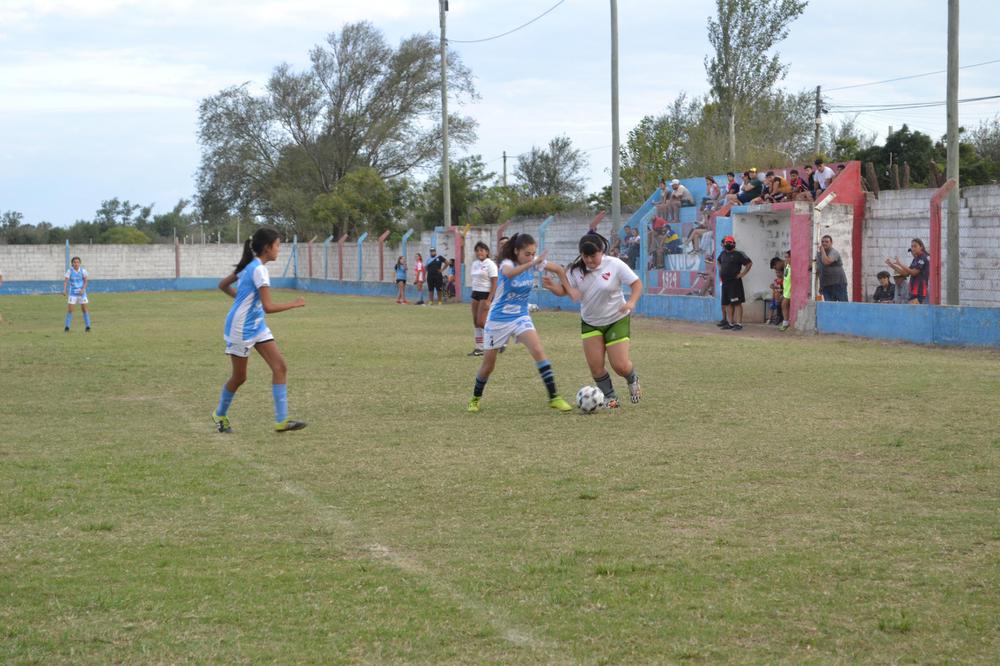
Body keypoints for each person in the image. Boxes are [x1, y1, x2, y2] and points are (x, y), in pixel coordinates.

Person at [213, 227, 306, 433]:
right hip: (241, 328)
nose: (279, 250)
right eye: (277, 245)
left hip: (257, 325)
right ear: (267, 247)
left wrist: (242, 300)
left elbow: (223, 285)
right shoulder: (258, 270)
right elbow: (268, 307)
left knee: (280, 367)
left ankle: (282, 421)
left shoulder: (250, 266)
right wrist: (295, 304)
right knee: (240, 378)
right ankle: (219, 414)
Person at [467, 233, 573, 413]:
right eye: (527, 253)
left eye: (533, 253)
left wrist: (570, 290)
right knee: (488, 365)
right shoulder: (508, 264)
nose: (531, 257)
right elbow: (508, 273)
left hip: (520, 317)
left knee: (538, 350)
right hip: (498, 320)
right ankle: (475, 398)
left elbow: (560, 270)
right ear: (516, 251)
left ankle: (554, 397)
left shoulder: (534, 262)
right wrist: (532, 263)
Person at [544, 232, 643, 408]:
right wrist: (553, 287)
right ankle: (610, 398)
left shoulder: (615, 264)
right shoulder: (575, 270)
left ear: (601, 251)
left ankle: (632, 378)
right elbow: (564, 291)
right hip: (590, 322)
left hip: (616, 319)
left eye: (593, 256)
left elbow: (636, 283)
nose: (589, 260)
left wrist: (631, 302)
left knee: (619, 365)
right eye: (585, 256)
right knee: (596, 367)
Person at [468, 241, 498, 356]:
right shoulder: (475, 264)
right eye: (477, 250)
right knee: (475, 322)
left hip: (485, 294)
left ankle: (495, 339)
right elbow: (475, 279)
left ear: (487, 252)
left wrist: (489, 300)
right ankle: (479, 348)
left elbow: (494, 282)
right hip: (475, 293)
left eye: (481, 250)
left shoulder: (490, 264)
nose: (479, 252)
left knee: (481, 321)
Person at [717, 235, 752, 330]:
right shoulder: (722, 254)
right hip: (725, 282)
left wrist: (742, 274)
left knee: (737, 303)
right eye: (726, 243)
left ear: (734, 244)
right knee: (728, 303)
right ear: (724, 244)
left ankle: (739, 324)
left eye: (730, 243)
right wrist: (720, 270)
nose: (728, 244)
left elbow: (749, 263)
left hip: (735, 282)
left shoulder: (739, 254)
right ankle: (730, 323)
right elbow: (718, 261)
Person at [885, 239, 931, 304]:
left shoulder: (923, 258)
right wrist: (892, 265)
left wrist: (900, 264)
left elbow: (914, 273)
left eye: (915, 246)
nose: (913, 249)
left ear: (921, 247)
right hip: (914, 292)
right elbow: (906, 273)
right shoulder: (915, 259)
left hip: (920, 292)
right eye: (912, 246)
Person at [815, 235, 849, 302]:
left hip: (839, 284)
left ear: (831, 243)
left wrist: (822, 251)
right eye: (822, 242)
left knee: (844, 306)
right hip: (826, 286)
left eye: (826, 242)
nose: (824, 243)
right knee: (829, 307)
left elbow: (826, 262)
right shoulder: (818, 254)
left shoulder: (834, 252)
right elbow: (818, 269)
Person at [63, 256, 91, 332]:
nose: (76, 263)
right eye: (74, 262)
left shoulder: (83, 271)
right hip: (73, 293)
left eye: (77, 262)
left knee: (84, 309)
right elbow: (65, 281)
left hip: (82, 293)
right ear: (72, 263)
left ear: (80, 263)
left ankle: (88, 326)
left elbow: (85, 282)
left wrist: (83, 289)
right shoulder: (69, 271)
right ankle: (67, 327)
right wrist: (65, 290)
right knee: (70, 310)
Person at [778, 250, 792, 331]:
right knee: (784, 305)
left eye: (788, 257)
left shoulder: (793, 267)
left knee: (784, 305)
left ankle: (785, 323)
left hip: (789, 290)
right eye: (785, 257)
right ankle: (786, 322)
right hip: (786, 290)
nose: (786, 259)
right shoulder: (787, 266)